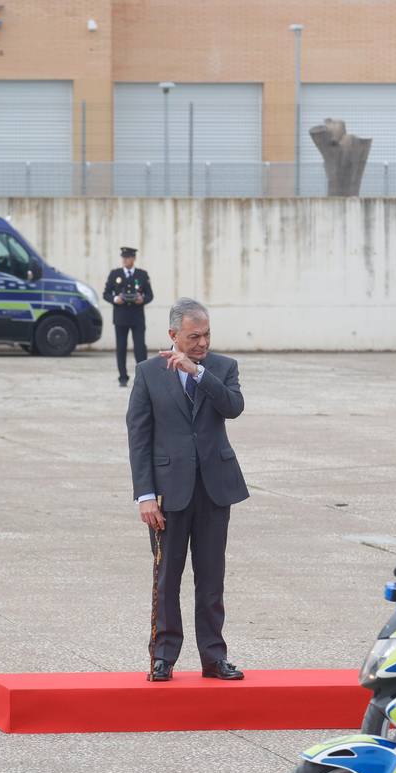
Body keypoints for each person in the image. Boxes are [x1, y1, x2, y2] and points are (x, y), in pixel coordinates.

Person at [127, 298, 247, 682]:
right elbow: (139, 437)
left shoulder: (222, 368)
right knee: (167, 578)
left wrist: (198, 372)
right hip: (168, 494)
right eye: (193, 336)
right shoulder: (148, 373)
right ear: (172, 335)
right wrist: (145, 494)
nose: (202, 343)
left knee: (211, 579)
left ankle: (214, 658)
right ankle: (163, 656)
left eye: (206, 334)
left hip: (214, 490)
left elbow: (233, 407)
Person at [103, 246, 154, 387]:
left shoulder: (142, 274)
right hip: (121, 317)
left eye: (128, 257)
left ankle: (143, 376)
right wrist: (115, 299)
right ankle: (123, 377)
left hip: (137, 317)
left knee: (140, 347)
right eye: (123, 257)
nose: (125, 260)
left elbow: (150, 295)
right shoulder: (115, 274)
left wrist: (142, 299)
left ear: (133, 258)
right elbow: (106, 293)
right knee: (121, 347)